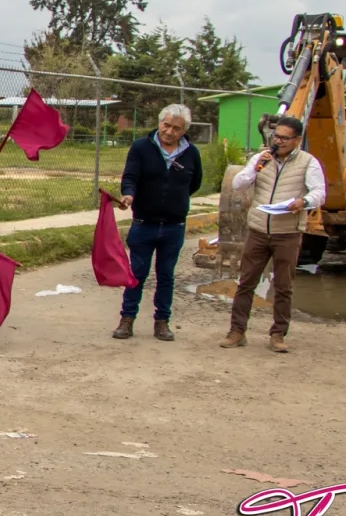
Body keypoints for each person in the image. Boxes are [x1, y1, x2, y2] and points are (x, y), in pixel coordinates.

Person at [223, 116, 326, 353]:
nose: (277, 141)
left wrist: (304, 201)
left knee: (283, 286)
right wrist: (257, 167)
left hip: (287, 233)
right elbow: (238, 184)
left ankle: (278, 334)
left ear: (297, 140)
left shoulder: (308, 162)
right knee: (246, 282)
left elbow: (320, 192)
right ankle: (237, 331)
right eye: (275, 136)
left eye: (283, 137)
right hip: (258, 230)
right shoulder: (261, 159)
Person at [113, 104, 204, 342]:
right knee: (137, 274)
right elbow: (131, 175)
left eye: (176, 128)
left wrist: (174, 200)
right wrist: (129, 194)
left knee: (166, 276)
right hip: (144, 224)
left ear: (183, 131)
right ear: (159, 122)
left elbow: (194, 184)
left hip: (174, 226)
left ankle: (162, 322)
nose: (169, 131)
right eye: (166, 125)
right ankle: (127, 320)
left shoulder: (191, 153)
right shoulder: (142, 147)